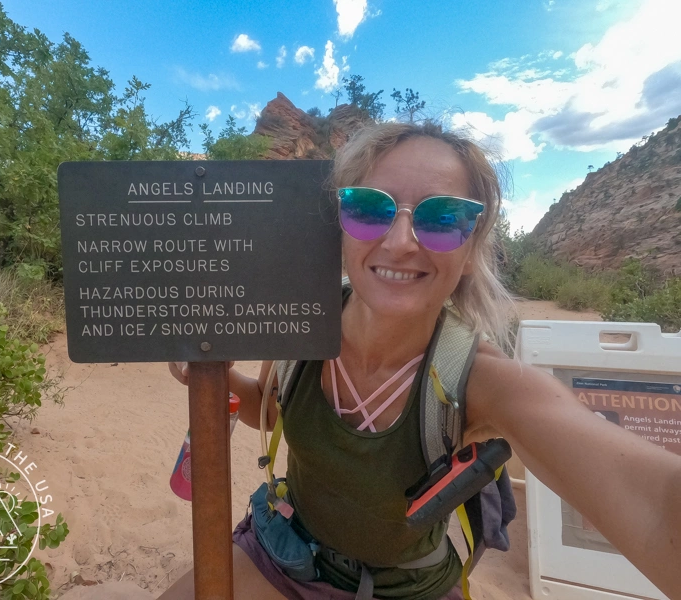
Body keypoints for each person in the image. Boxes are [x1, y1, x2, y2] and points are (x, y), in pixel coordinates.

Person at [163, 121, 681, 600]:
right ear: (340, 223)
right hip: (285, 553)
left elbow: (656, 508)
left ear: (471, 243)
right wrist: (217, 374)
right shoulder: (303, 325)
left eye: (443, 218)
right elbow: (272, 411)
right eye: (370, 208)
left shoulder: (483, 381)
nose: (401, 242)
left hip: (406, 589)